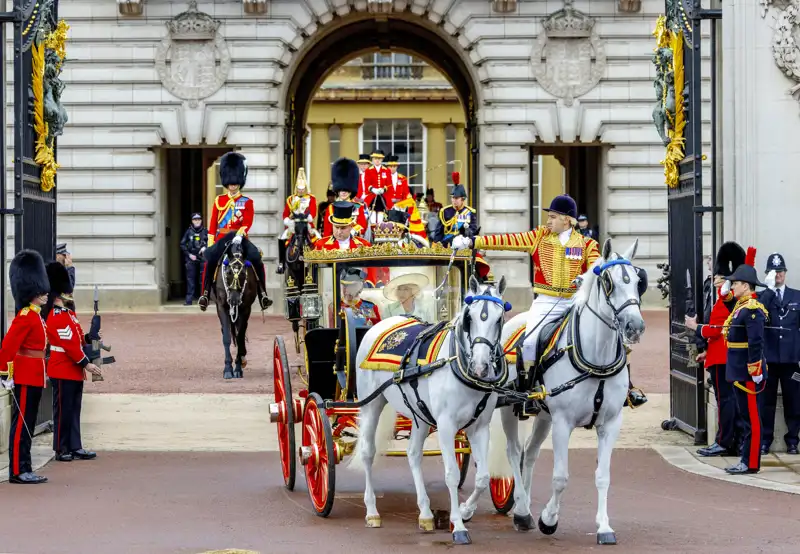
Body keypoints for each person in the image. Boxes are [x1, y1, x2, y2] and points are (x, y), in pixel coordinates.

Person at [686, 242, 752, 457]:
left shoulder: (728, 302)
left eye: (718, 277)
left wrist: (696, 327)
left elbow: (719, 329)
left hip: (725, 358)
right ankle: (732, 441)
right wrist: (706, 352)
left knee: (726, 402)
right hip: (717, 356)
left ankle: (724, 441)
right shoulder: (722, 301)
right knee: (728, 401)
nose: (714, 279)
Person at [0, 250, 51, 484]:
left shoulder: (36, 316)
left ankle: (25, 467)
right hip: (25, 375)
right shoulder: (25, 316)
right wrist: (5, 374)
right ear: (32, 290)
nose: (45, 294)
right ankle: (18, 471)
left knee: (28, 423)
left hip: (35, 373)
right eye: (41, 291)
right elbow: (7, 348)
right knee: (21, 424)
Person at [43, 261, 102, 463]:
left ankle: (75, 445)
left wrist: (89, 336)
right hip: (63, 369)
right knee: (63, 411)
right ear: (59, 294)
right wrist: (87, 363)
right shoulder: (57, 316)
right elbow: (68, 345)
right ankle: (61, 448)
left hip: (73, 370)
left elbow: (76, 339)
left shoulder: (68, 315)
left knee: (74, 410)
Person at [198, 152, 272, 312]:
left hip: (240, 238)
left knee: (256, 259)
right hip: (222, 237)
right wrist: (210, 244)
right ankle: (204, 294)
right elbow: (212, 224)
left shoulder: (247, 202)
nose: (232, 185)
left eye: (235, 183)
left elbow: (248, 221)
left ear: (239, 181)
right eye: (230, 183)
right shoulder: (220, 201)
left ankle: (263, 294)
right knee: (209, 262)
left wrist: (240, 234)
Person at [721, 262, 769, 475]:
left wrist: (755, 369)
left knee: (752, 420)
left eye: (736, 283)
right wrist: (726, 298)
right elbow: (735, 317)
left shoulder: (753, 310)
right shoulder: (743, 306)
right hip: (739, 371)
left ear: (747, 286)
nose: (733, 286)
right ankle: (746, 459)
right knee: (746, 417)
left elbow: (755, 342)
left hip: (748, 373)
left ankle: (750, 462)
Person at [757, 252, 800, 455]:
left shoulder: (797, 296)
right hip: (770, 360)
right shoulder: (763, 297)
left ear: (785, 273)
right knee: (766, 402)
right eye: (774, 272)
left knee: (794, 401)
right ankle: (765, 440)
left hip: (791, 359)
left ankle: (792, 440)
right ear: (768, 274)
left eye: (781, 271)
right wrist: (769, 289)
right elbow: (757, 315)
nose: (778, 275)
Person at [277, 168, 319, 274]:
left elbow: (313, 212)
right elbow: (285, 214)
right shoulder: (291, 199)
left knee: (318, 238)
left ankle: (319, 261)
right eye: (299, 189)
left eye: (302, 188)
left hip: (306, 223)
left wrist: (308, 217)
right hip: (293, 224)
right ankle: (281, 263)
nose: (300, 191)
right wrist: (288, 220)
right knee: (283, 238)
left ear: (305, 188)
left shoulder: (311, 198)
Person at [321, 158, 369, 237]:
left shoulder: (358, 206)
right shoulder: (331, 207)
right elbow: (327, 230)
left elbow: (362, 226)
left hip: (354, 241)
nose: (343, 192)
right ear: (337, 191)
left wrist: (353, 231)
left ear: (351, 191)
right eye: (341, 190)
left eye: (346, 190)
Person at [385, 154, 427, 240]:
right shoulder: (384, 178)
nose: (392, 168)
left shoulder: (402, 178)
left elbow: (406, 193)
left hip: (400, 206)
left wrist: (407, 202)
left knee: (400, 228)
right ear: (388, 167)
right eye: (390, 166)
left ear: (397, 167)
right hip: (387, 206)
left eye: (394, 166)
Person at [180, 212, 208, 305]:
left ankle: (203, 300)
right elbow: (182, 244)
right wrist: (189, 255)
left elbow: (212, 241)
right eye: (195, 220)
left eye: (199, 219)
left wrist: (205, 247)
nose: (197, 221)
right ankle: (189, 301)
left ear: (201, 220)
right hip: (191, 258)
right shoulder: (188, 231)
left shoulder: (205, 231)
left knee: (203, 280)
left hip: (203, 258)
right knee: (190, 280)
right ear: (192, 221)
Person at [363, 149, 393, 221]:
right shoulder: (368, 170)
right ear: (372, 159)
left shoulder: (386, 170)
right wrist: (373, 189)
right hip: (372, 196)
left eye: (379, 159)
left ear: (382, 159)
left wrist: (383, 189)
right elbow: (366, 183)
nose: (377, 160)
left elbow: (389, 184)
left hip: (383, 197)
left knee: (380, 217)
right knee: (372, 216)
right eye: (375, 158)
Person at [56, 243, 76, 311]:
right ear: (57, 256)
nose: (66, 258)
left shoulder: (63, 269)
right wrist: (70, 267)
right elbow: (70, 287)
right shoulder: (57, 270)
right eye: (64, 255)